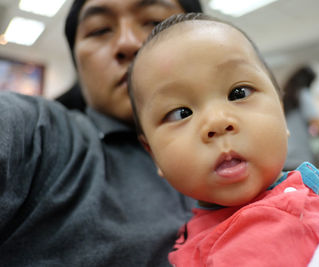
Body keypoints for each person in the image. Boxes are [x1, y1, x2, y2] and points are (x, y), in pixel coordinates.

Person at [128, 13, 319, 266]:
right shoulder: (213, 221)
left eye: (238, 93)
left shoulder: (269, 231)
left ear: (281, 114)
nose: (218, 122)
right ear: (152, 153)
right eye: (181, 113)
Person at [0, 0, 202, 266]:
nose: (128, 43)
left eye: (155, 22)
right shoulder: (40, 134)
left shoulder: (248, 143)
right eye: (98, 30)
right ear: (78, 65)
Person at [282, 65, 319, 171]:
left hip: (284, 157)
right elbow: (317, 123)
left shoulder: (286, 97)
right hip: (299, 157)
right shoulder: (303, 94)